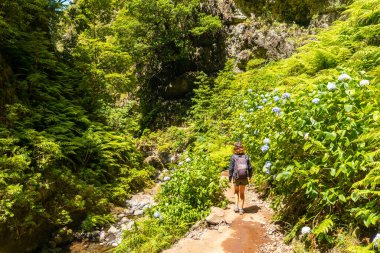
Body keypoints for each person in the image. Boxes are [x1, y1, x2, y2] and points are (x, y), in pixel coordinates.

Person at [229, 142, 252, 214]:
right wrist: (250, 176)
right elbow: (250, 168)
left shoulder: (233, 156)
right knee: (242, 193)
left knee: (236, 191)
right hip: (244, 176)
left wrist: (230, 177)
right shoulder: (246, 156)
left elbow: (231, 168)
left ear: (235, 148)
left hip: (236, 176)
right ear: (242, 148)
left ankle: (236, 206)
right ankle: (241, 209)